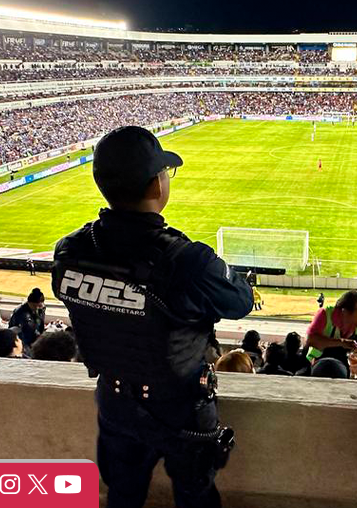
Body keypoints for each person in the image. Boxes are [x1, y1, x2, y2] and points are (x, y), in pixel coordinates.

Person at [50, 125, 252, 508]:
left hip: (114, 400)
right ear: (157, 186)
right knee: (195, 497)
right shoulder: (187, 260)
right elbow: (239, 302)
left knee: (123, 497)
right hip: (181, 407)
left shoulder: (71, 250)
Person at [304, 291, 357, 374]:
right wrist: (342, 342)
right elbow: (309, 340)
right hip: (320, 362)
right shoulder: (325, 314)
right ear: (344, 311)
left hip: (352, 367)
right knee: (330, 367)